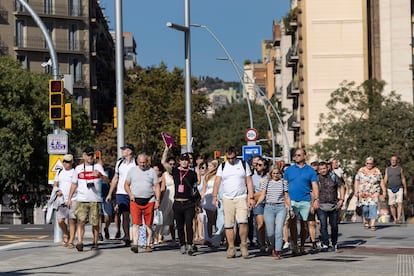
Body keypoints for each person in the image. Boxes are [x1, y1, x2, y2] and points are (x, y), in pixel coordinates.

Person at [212, 146, 255, 259]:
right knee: (228, 224)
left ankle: (243, 244)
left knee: (243, 222)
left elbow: (249, 181)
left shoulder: (243, 165)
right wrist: (214, 196)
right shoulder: (223, 166)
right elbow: (217, 182)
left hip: (241, 197)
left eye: (233, 158)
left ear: (236, 155)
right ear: (226, 156)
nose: (231, 160)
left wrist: (251, 197)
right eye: (229, 158)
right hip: (227, 198)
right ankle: (231, 247)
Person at [68, 146, 109, 252]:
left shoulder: (98, 167)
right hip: (81, 199)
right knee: (81, 221)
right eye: (88, 155)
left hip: (95, 199)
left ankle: (95, 243)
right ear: (84, 156)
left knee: (95, 223)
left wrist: (99, 175)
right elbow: (73, 184)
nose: (90, 157)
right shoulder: (78, 168)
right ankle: (80, 242)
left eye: (92, 155)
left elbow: (107, 180)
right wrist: (69, 198)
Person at [161, 145, 198, 256]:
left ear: (189, 162)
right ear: (179, 161)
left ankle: (190, 244)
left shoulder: (192, 173)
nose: (184, 162)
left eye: (186, 160)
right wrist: (167, 150)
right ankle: (182, 244)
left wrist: (197, 202)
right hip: (177, 202)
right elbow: (163, 162)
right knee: (180, 226)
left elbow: (196, 187)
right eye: (182, 160)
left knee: (189, 225)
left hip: (189, 202)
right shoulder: (175, 171)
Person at [283, 148, 319, 256]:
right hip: (292, 200)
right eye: (295, 155)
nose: (296, 157)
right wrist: (285, 200)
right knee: (292, 223)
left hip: (306, 200)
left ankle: (302, 245)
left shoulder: (310, 171)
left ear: (304, 156)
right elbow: (284, 185)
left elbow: (315, 186)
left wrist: (316, 200)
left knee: (304, 225)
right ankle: (295, 245)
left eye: (299, 155)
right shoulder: (289, 170)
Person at [125, 154, 160, 253]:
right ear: (137, 162)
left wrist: (157, 200)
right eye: (140, 163)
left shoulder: (152, 171)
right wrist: (130, 194)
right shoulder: (132, 171)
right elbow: (126, 185)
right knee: (136, 223)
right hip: (135, 200)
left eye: (144, 162)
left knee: (149, 224)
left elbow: (156, 186)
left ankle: (148, 243)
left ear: (147, 162)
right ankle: (135, 244)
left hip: (149, 200)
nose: (142, 164)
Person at [255, 167, 292, 260]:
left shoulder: (283, 182)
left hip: (280, 207)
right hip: (269, 207)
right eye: (274, 173)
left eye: (277, 173)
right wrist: (257, 204)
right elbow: (263, 195)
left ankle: (277, 250)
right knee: (270, 232)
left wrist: (290, 208)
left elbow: (286, 197)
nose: (275, 175)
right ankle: (274, 244)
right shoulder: (266, 182)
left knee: (279, 230)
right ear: (271, 174)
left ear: (280, 174)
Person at [106, 144, 136, 246]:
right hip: (121, 192)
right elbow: (115, 178)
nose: (122, 151)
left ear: (130, 151)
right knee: (125, 215)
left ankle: (137, 236)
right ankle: (127, 236)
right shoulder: (119, 163)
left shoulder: (136, 163)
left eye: (124, 149)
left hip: (134, 192)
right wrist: (110, 193)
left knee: (135, 215)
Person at [316, 161, 345, 252]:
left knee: (334, 226)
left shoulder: (333, 176)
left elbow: (341, 187)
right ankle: (325, 243)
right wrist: (314, 202)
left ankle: (334, 243)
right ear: (318, 170)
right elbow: (312, 190)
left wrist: (341, 199)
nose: (323, 170)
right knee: (323, 225)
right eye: (321, 169)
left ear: (327, 168)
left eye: (324, 168)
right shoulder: (316, 178)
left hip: (333, 205)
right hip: (321, 206)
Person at [354, 156, 386, 231]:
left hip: (374, 193)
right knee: (365, 209)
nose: (369, 165)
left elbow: (381, 181)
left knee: (373, 207)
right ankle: (366, 220)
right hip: (363, 193)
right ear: (365, 163)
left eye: (371, 163)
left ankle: (372, 224)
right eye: (368, 163)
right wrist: (356, 190)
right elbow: (357, 180)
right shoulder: (361, 170)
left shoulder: (377, 171)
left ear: (373, 163)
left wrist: (384, 191)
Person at [52, 154, 76, 249]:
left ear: (72, 162)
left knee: (72, 221)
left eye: (68, 162)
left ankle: (71, 241)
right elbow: (55, 183)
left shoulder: (75, 172)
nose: (66, 163)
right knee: (60, 220)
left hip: (73, 199)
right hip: (61, 200)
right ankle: (66, 233)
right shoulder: (59, 172)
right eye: (65, 161)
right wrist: (57, 190)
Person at [383, 155, 408, 223]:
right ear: (390, 161)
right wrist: (383, 188)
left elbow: (403, 178)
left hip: (399, 188)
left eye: (394, 160)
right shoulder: (387, 169)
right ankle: (395, 218)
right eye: (392, 160)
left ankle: (399, 218)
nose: (393, 161)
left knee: (399, 203)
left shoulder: (400, 169)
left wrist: (405, 189)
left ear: (396, 161)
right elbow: (385, 179)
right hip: (390, 189)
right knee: (392, 204)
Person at [251, 157, 268, 253]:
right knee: (260, 223)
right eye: (256, 165)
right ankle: (262, 244)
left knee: (269, 223)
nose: (257, 166)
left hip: (269, 202)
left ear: (265, 166)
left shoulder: (269, 177)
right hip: (258, 202)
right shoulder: (252, 177)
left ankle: (270, 242)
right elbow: (251, 192)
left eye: (260, 165)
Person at [158, 156, 176, 244]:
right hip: (168, 196)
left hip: (176, 196)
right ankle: (159, 236)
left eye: (173, 164)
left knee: (174, 218)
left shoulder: (177, 173)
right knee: (164, 217)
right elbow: (162, 187)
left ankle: (174, 238)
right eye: (170, 164)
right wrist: (159, 199)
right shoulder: (165, 175)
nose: (172, 165)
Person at [201, 159, 219, 244]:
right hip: (208, 198)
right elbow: (204, 189)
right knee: (209, 219)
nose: (209, 168)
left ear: (215, 167)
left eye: (210, 166)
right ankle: (208, 237)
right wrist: (202, 198)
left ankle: (218, 236)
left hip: (216, 196)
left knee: (217, 218)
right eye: (208, 166)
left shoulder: (218, 176)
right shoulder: (206, 176)